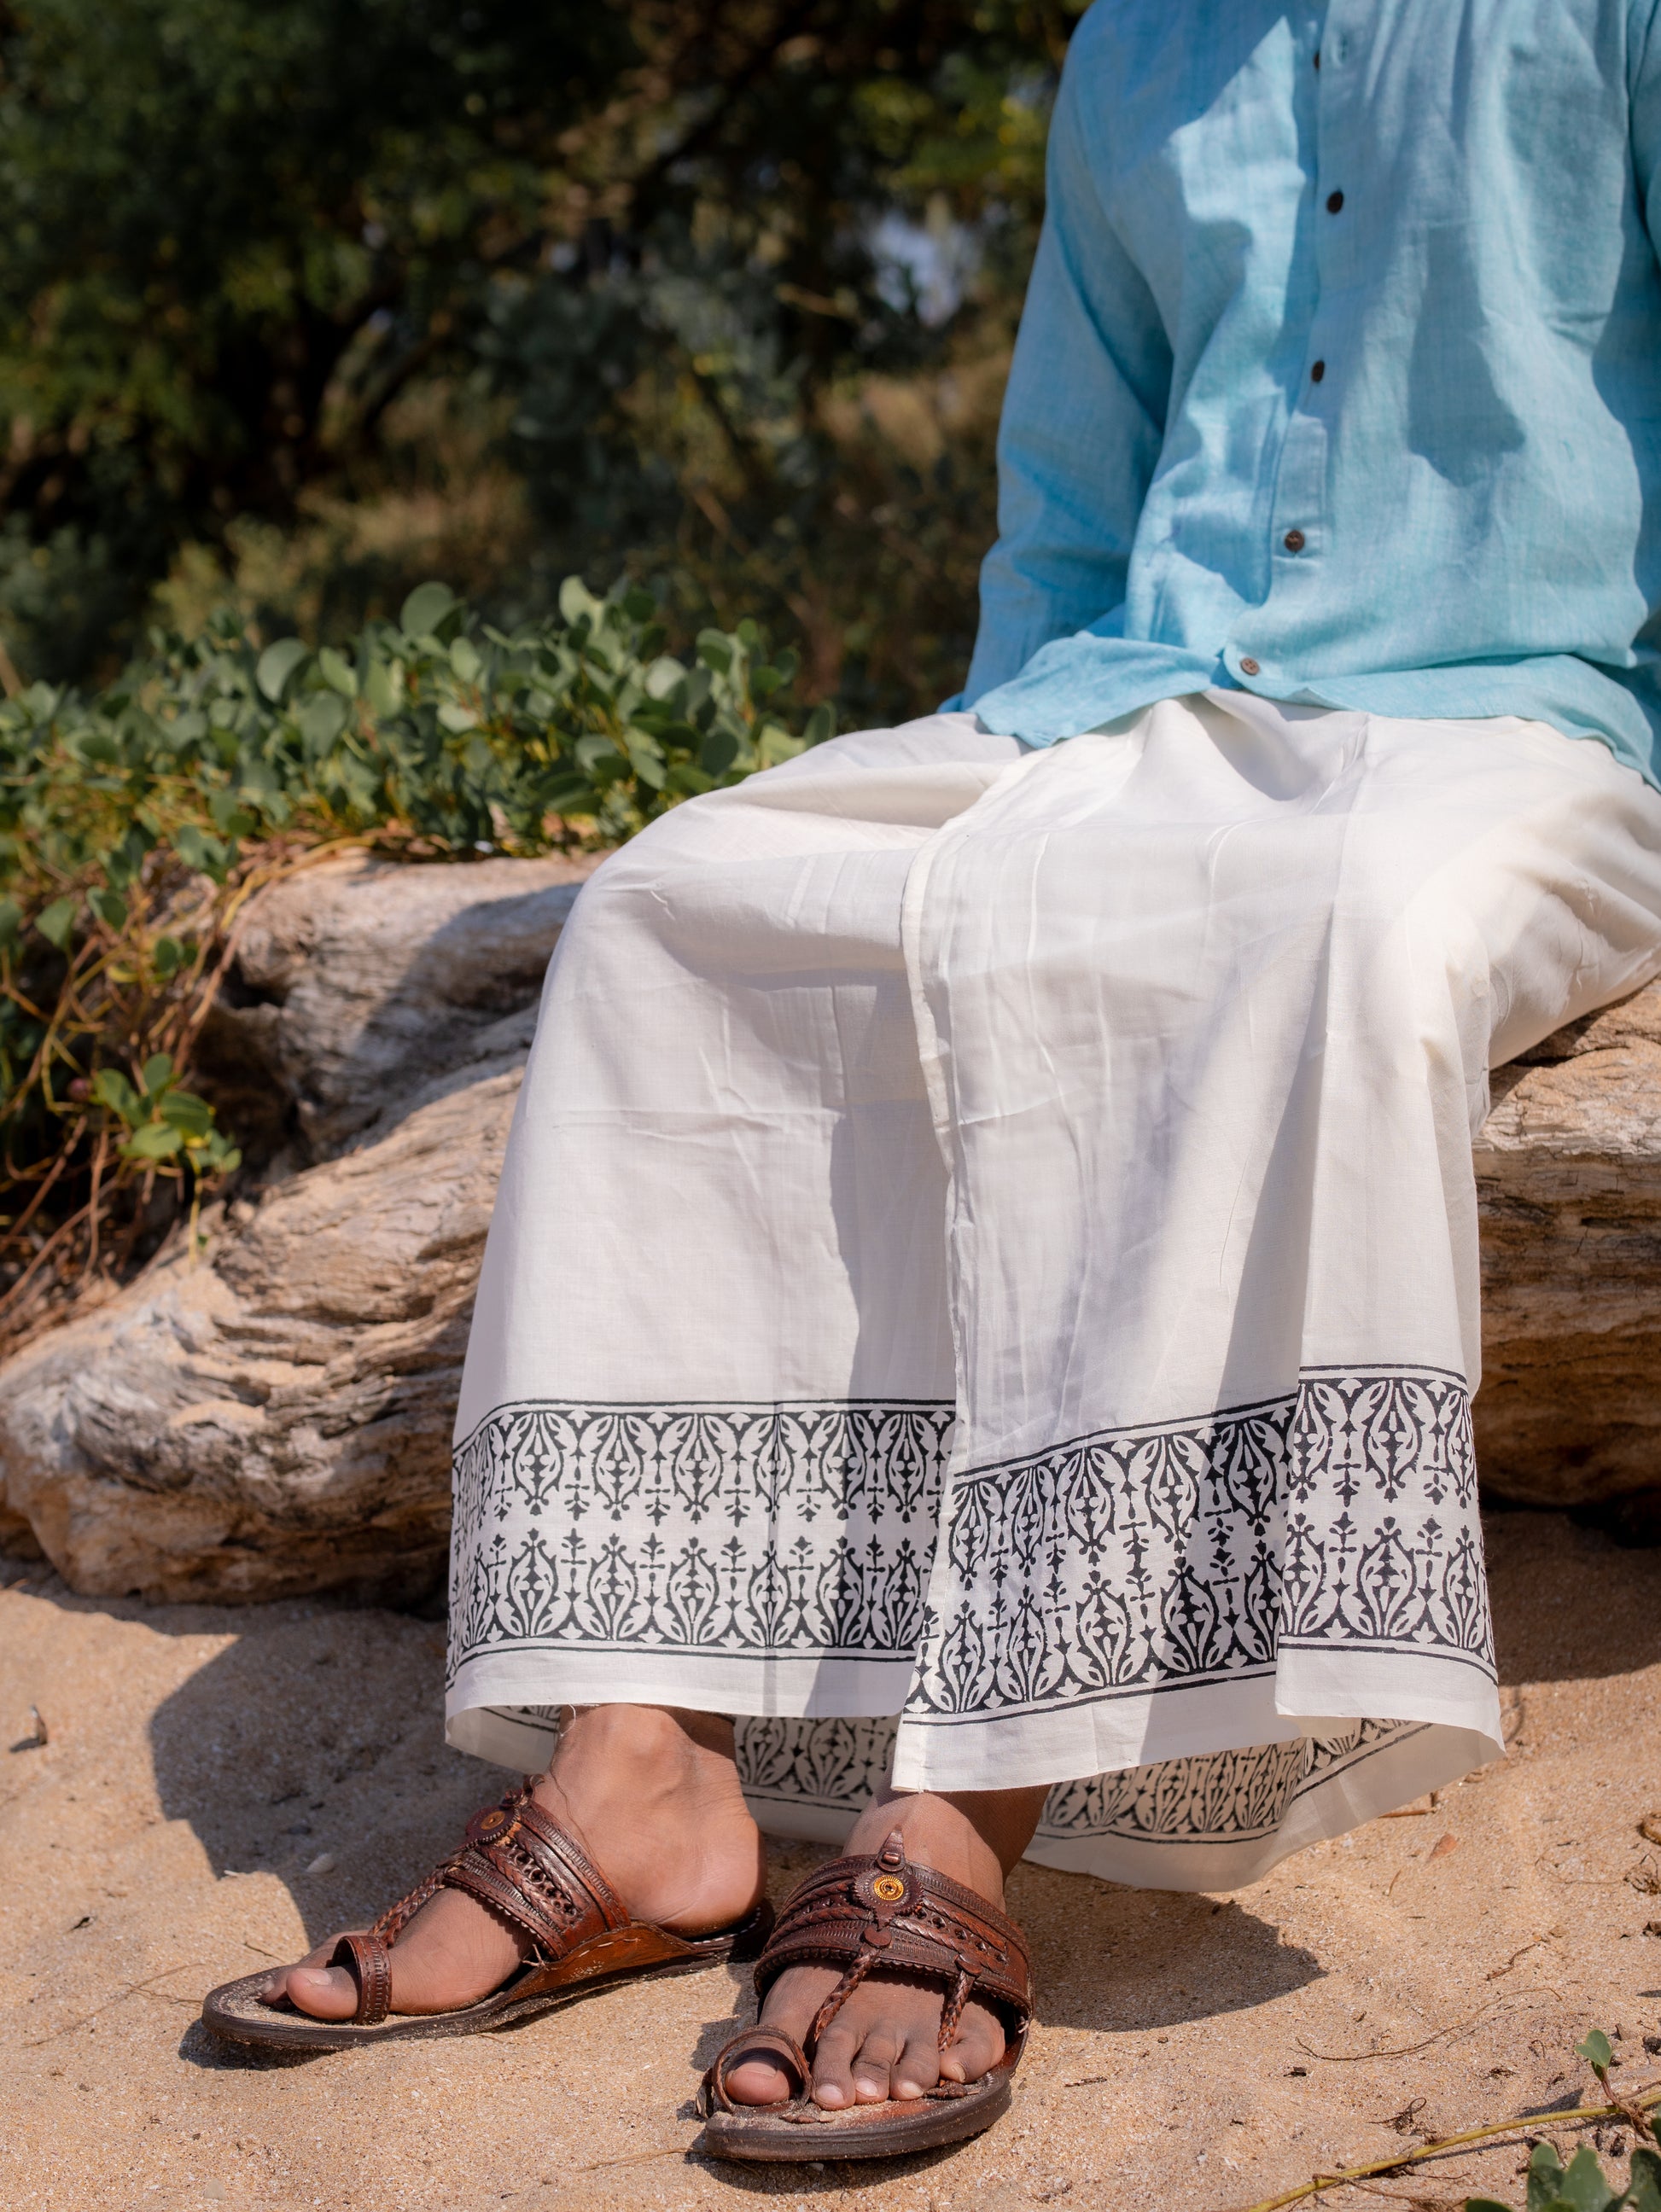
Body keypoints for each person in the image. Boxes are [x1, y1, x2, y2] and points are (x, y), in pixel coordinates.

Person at [205, 0, 1661, 2165]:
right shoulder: (1138, 48)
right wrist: (998, 824)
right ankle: (641, 1773)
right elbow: (1069, 513)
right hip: (1120, 708)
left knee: (1321, 941)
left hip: (1514, 730)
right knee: (675, 906)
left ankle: (966, 1810)